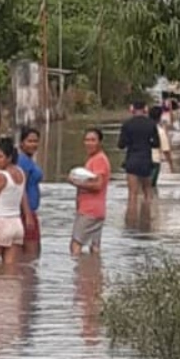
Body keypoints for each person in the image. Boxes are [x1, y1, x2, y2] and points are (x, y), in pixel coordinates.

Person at [0, 136, 31, 266]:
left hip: (0, 224)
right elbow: (21, 195)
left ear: (9, 158)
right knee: (11, 273)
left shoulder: (1, 176)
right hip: (16, 224)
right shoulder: (20, 172)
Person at [68, 128, 111, 256]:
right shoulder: (93, 159)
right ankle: (94, 272)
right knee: (95, 247)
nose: (89, 143)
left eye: (93, 140)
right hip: (97, 210)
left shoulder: (99, 160)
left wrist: (74, 182)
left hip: (89, 211)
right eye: (87, 140)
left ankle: (78, 274)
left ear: (100, 142)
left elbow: (98, 185)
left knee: (75, 244)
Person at [118, 101, 158, 205]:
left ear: (132, 109)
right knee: (147, 192)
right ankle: (147, 217)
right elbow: (156, 144)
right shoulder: (151, 123)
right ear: (145, 109)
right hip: (146, 160)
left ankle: (131, 220)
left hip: (131, 160)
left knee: (132, 194)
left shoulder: (127, 124)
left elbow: (121, 145)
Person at [16, 126, 43, 257]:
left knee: (29, 254)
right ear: (21, 143)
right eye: (30, 141)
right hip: (25, 213)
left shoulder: (28, 160)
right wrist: (28, 215)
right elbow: (21, 187)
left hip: (28, 212)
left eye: (36, 141)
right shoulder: (23, 161)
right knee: (31, 255)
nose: (34, 144)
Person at [149, 105, 173, 188]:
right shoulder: (160, 131)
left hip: (139, 160)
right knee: (151, 187)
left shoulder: (142, 128)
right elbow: (166, 150)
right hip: (154, 161)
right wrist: (171, 165)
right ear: (160, 117)